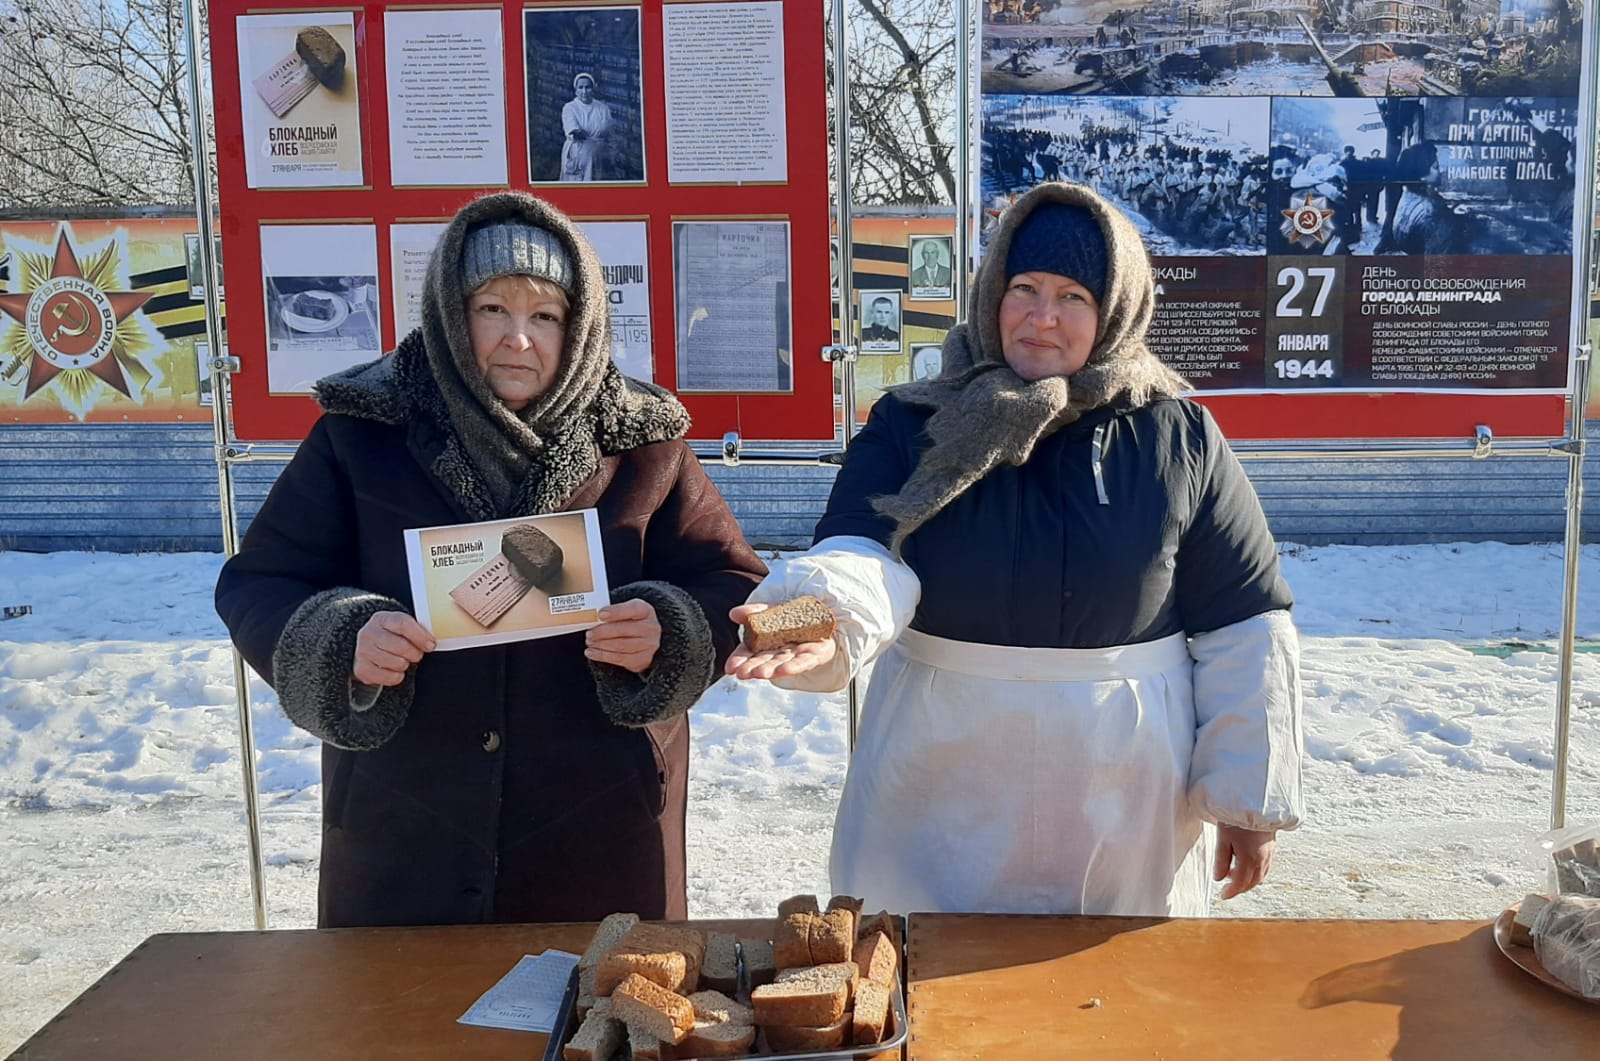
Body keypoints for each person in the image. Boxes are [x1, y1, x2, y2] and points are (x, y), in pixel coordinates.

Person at [727, 181, 1303, 917]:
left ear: (1115, 310)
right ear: (992, 291)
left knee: (1112, 1006)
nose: (1041, 318)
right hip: (938, 776)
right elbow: (867, 551)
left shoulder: (1177, 436)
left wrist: (1246, 800)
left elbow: (1244, 622)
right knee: (930, 994)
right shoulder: (913, 423)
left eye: (1073, 297)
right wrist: (828, 611)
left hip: (1120, 800)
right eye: (1023, 288)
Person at [215, 191, 766, 928]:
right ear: (450, 310)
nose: (519, 339)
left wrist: (670, 630)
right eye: (490, 310)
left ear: (579, 324)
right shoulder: (362, 432)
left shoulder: (645, 440)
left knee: (597, 1022)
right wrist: (342, 639)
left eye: (545, 316)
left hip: (602, 824)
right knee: (399, 1025)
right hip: (406, 825)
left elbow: (731, 581)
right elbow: (260, 582)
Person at [560, 72, 612, 182]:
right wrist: (593, 136)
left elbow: (607, 131)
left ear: (593, 89)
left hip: (598, 154)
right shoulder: (569, 108)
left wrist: (593, 137)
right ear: (576, 90)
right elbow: (576, 132)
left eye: (587, 87)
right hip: (577, 153)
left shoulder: (602, 108)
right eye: (580, 87)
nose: (584, 91)